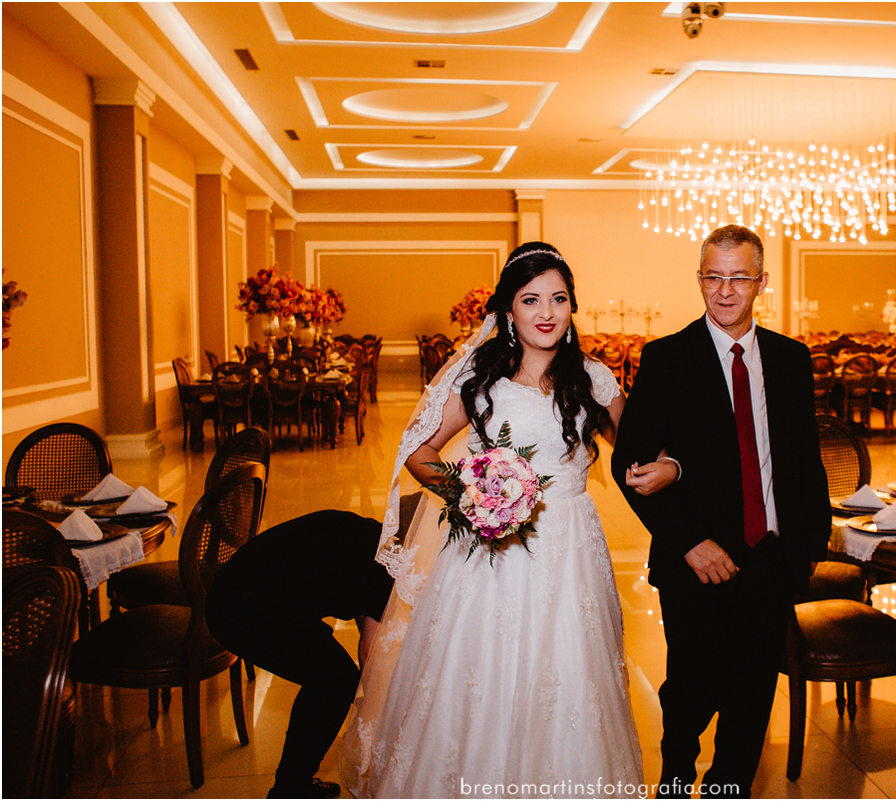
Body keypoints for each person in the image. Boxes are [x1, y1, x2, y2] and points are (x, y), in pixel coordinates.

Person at [342, 242, 673, 798]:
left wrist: (664, 465)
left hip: (572, 547)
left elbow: (638, 451)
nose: (547, 312)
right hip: (491, 552)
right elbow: (419, 454)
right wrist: (473, 498)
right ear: (508, 311)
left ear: (572, 307)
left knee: (572, 673)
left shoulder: (592, 377)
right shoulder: (481, 378)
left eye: (559, 298)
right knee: (483, 673)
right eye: (531, 299)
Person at [612, 225, 831, 798]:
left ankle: (728, 788)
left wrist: (805, 550)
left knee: (753, 693)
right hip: (698, 561)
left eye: (739, 278)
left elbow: (805, 460)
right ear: (700, 279)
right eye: (714, 276)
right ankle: (677, 782)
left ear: (761, 282)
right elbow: (630, 467)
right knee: (690, 687)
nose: (725, 290)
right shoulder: (666, 359)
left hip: (771, 558)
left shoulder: (790, 359)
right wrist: (688, 541)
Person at [206, 508, 414, 799]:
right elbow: (370, 657)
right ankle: (289, 790)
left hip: (243, 592)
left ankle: (294, 783)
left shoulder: (368, 537)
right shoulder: (386, 570)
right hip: (241, 612)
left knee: (333, 676)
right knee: (336, 681)